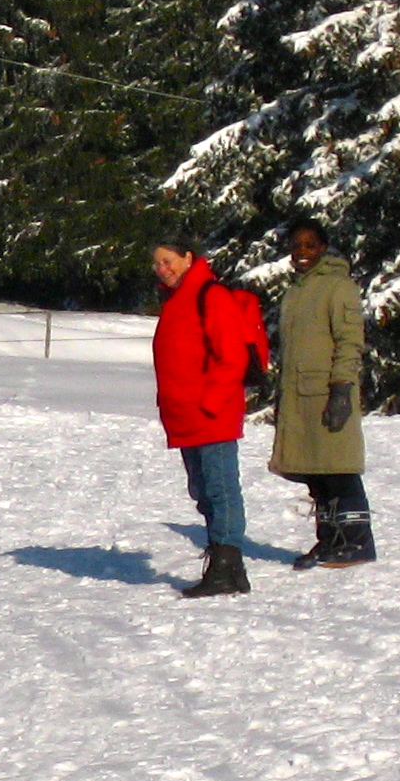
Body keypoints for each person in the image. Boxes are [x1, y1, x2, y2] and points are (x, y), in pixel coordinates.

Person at [271, 219, 376, 568]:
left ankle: (356, 542)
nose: (302, 252)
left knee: (339, 470)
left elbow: (350, 341)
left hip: (328, 393)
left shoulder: (338, 287)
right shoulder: (297, 290)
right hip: (300, 396)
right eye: (296, 246)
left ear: (323, 248)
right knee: (316, 472)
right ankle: (330, 540)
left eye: (310, 245)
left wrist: (342, 389)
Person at [151, 239, 251, 597]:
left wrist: (209, 403)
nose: (163, 268)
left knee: (221, 490)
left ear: (188, 258)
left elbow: (232, 356)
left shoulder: (211, 295)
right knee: (203, 491)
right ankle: (228, 568)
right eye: (157, 263)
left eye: (169, 260)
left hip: (211, 415)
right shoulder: (177, 300)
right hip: (186, 416)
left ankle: (226, 564)